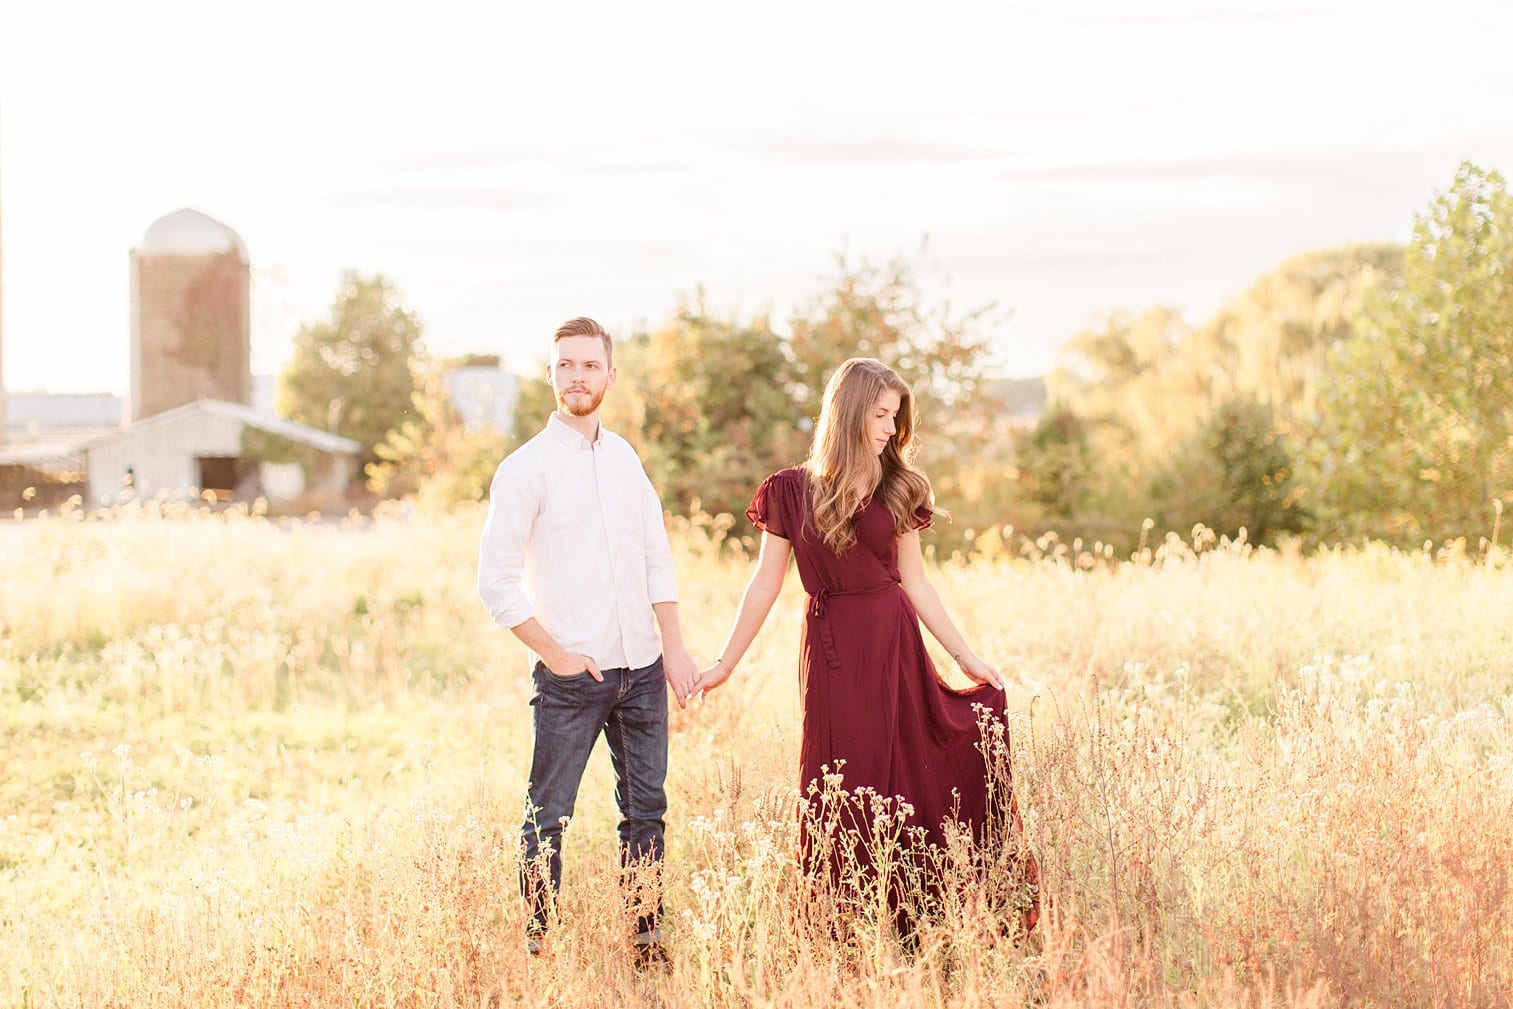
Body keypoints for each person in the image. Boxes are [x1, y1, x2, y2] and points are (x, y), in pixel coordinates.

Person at [697, 357, 1039, 935]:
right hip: (832, 648)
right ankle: (840, 927)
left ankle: (925, 917)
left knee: (908, 767)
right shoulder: (789, 490)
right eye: (880, 414)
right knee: (836, 778)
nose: (889, 428)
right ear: (849, 411)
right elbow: (764, 582)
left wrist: (965, 657)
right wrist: (724, 663)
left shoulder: (901, 486)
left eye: (895, 417)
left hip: (893, 640)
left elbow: (916, 580)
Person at [477, 316, 699, 968]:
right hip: (573, 676)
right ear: (550, 372)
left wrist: (676, 648)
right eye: (566, 364)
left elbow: (656, 556)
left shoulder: (626, 458)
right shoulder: (524, 469)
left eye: (589, 365)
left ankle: (645, 939)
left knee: (646, 811)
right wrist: (555, 654)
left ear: (609, 374)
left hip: (643, 670)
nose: (578, 376)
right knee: (548, 815)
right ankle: (540, 946)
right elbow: (496, 583)